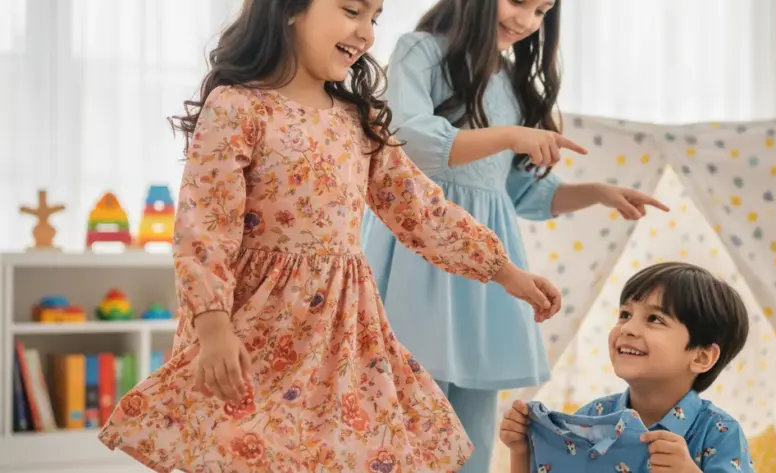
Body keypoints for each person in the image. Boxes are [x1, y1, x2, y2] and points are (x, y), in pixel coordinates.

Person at [95, 0, 565, 471]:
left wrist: (504, 272)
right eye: (351, 10)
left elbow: (421, 210)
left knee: (343, 450)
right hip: (255, 323)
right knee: (249, 448)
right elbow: (205, 226)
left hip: (343, 329)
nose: (366, 33)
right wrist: (212, 326)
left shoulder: (359, 121)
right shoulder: (238, 107)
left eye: (374, 18)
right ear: (288, 9)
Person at [361, 1, 668, 470]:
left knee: (473, 426)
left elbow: (521, 192)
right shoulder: (419, 51)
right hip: (417, 252)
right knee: (408, 407)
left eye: (542, 11)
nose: (527, 20)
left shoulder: (511, 82)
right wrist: (508, 135)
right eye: (520, 1)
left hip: (486, 275)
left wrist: (598, 192)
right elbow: (412, 141)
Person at [499, 262, 754, 473]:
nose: (628, 328)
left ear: (701, 357)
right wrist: (521, 451)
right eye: (625, 314)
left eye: (654, 319)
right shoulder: (593, 417)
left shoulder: (720, 432)